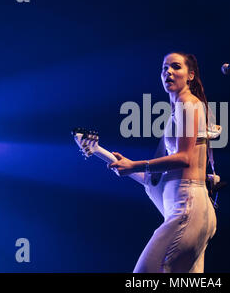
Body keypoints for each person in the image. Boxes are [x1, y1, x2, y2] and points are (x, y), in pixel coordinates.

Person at [88, 52, 217, 273]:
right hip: (189, 210)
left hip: (188, 208)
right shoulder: (179, 109)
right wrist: (122, 163)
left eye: (176, 67)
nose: (168, 71)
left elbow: (184, 158)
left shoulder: (188, 103)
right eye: (164, 68)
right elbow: (155, 180)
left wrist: (136, 165)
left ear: (191, 76)